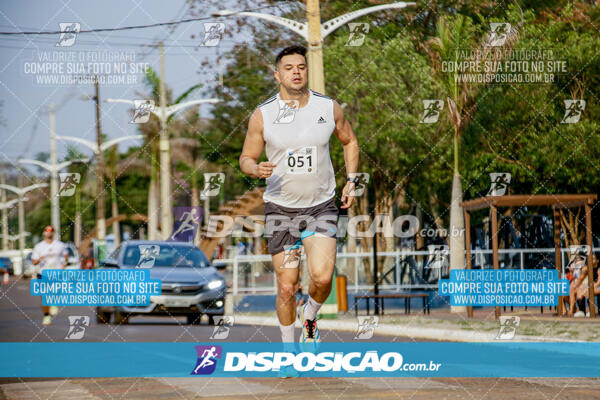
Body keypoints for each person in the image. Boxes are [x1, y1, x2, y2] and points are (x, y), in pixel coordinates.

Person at [239, 45, 359, 361]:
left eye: (301, 66)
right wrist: (255, 168)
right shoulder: (263, 114)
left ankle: (309, 318)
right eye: (289, 67)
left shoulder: (327, 107)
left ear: (307, 71)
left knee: (321, 277)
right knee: (287, 286)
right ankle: (288, 350)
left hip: (321, 206)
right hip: (281, 209)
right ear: (277, 74)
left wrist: (352, 179)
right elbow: (246, 158)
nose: (296, 71)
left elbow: (349, 141)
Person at [31, 225, 68, 325]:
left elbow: (66, 254)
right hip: (42, 273)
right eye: (47, 231)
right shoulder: (39, 246)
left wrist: (64, 264)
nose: (49, 232)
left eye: (51, 231)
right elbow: (33, 261)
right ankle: (46, 316)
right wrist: (39, 259)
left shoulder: (60, 245)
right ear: (44, 233)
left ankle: (54, 303)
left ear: (53, 233)